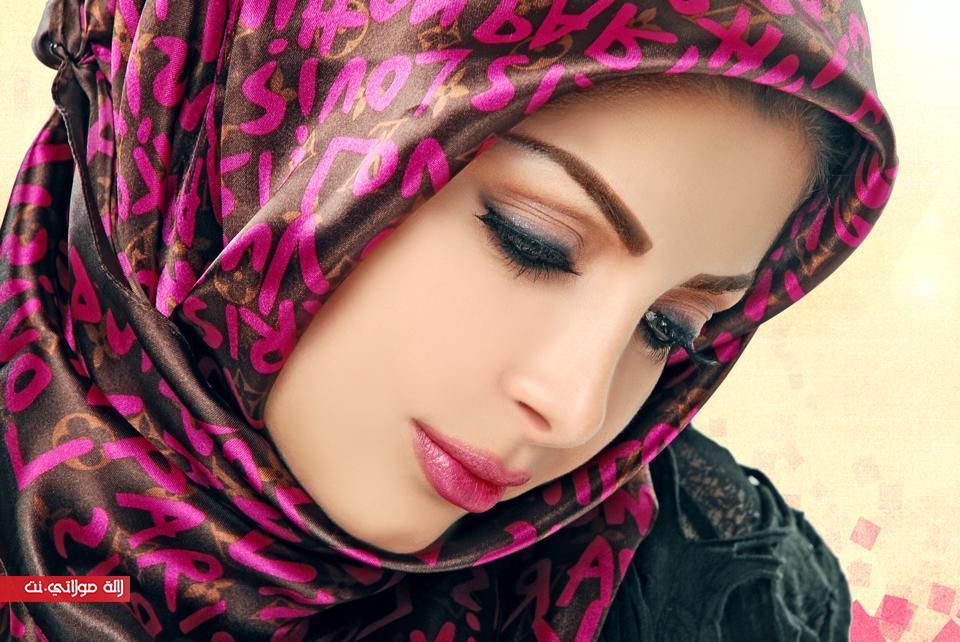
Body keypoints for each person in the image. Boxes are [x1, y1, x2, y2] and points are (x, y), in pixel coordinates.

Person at [0, 1, 897, 640]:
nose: (575, 411)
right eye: (533, 242)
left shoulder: (742, 598)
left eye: (669, 328)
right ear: (249, 117)